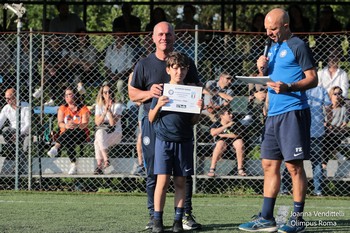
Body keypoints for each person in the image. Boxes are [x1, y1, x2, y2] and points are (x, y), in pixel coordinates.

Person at [238, 8, 318, 233]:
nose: (268, 33)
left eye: (272, 29)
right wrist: (261, 69)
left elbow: (313, 79)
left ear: (285, 26)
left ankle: (298, 219)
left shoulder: (298, 46)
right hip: (272, 114)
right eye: (266, 29)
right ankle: (266, 218)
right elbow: (272, 80)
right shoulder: (272, 47)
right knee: (269, 165)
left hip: (293, 112)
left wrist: (289, 87)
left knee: (293, 167)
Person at [129, 22, 202, 230]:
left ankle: (185, 215)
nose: (164, 38)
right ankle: (155, 216)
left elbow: (196, 87)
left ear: (174, 37)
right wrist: (150, 93)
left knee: (182, 175)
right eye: (160, 34)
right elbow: (132, 93)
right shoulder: (144, 64)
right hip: (153, 122)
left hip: (180, 125)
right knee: (155, 171)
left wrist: (191, 97)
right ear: (153, 37)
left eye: (168, 34)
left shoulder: (186, 62)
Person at [149, 51, 203, 233]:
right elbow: (150, 118)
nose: (179, 71)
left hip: (185, 141)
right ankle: (157, 221)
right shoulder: (161, 90)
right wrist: (158, 105)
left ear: (187, 70)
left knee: (181, 182)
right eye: (175, 67)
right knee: (162, 182)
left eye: (183, 68)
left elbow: (193, 121)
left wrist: (198, 110)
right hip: (164, 141)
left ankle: (178, 221)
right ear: (169, 69)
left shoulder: (192, 92)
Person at [281, 85, 331, 196]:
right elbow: (328, 108)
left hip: (298, 130)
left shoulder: (295, 88)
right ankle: (318, 190)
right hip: (316, 130)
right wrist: (328, 121)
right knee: (317, 162)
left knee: (292, 159)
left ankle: (284, 188)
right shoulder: (320, 90)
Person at [47, 87, 90, 175]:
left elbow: (85, 123)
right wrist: (66, 125)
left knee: (71, 131)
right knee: (68, 137)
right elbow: (60, 123)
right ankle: (73, 165)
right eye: (66, 95)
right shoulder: (63, 108)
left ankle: (56, 147)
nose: (67, 97)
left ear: (75, 95)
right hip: (66, 135)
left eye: (69, 94)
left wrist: (77, 125)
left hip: (80, 133)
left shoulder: (83, 108)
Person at [207, 106, 246, 177]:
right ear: (222, 116)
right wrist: (226, 126)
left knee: (239, 142)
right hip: (222, 147)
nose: (231, 115)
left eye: (231, 113)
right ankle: (212, 169)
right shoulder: (217, 124)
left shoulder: (235, 123)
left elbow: (237, 135)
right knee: (220, 143)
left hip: (233, 146)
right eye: (228, 114)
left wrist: (223, 135)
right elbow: (213, 133)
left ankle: (240, 169)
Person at [93, 83, 123, 175]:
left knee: (97, 139)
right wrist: (104, 111)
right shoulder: (99, 106)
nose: (107, 94)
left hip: (116, 134)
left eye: (109, 92)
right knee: (99, 135)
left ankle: (99, 166)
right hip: (103, 134)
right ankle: (106, 162)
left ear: (112, 93)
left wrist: (109, 111)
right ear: (102, 94)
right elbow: (97, 122)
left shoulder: (117, 106)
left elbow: (112, 123)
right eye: (105, 92)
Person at [0, 88, 30, 174]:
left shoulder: (25, 105)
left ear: (16, 97)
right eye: (6, 98)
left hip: (24, 132)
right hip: (12, 133)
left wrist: (18, 134)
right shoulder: (6, 108)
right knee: (5, 130)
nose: (7, 100)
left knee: (22, 143)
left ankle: (19, 166)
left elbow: (28, 124)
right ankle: (19, 167)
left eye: (10, 98)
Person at [323, 86, 349, 170]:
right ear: (331, 95)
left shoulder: (343, 108)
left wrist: (344, 123)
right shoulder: (326, 107)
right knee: (328, 138)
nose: (338, 96)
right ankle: (337, 154)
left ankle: (324, 164)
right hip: (327, 131)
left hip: (337, 131)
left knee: (330, 138)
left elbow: (344, 122)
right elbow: (323, 122)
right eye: (335, 94)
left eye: (340, 94)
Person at [104, 34, 135, 102]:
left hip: (124, 75)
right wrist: (111, 74)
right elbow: (106, 65)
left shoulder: (128, 49)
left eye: (121, 36)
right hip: (111, 74)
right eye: (117, 36)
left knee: (120, 84)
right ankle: (106, 102)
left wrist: (119, 75)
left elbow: (129, 67)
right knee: (105, 84)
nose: (119, 38)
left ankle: (122, 102)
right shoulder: (111, 48)